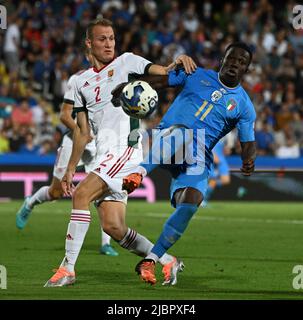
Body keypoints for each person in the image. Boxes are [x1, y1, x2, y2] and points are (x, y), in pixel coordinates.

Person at [44, 18, 197, 287]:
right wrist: (70, 169)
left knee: (81, 195)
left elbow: (160, 70)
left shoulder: (126, 62)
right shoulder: (81, 82)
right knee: (113, 227)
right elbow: (82, 131)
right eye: (102, 39)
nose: (108, 44)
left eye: (112, 38)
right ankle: (168, 260)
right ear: (89, 43)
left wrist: (177, 60)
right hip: (103, 155)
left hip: (124, 150)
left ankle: (67, 269)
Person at [123, 42, 257, 285]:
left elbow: (248, 141)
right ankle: (139, 173)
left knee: (192, 201)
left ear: (246, 68)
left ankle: (152, 260)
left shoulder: (244, 106)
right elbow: (160, 82)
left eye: (241, 62)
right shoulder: (195, 74)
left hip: (197, 157)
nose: (234, 64)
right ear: (222, 59)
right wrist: (130, 87)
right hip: (169, 137)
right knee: (186, 134)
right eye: (231, 58)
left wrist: (248, 159)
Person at [15, 50, 119, 257]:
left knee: (102, 189)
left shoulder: (114, 79)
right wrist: (82, 132)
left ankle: (106, 243)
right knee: (57, 192)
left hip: (99, 144)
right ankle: (31, 202)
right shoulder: (78, 79)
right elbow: (64, 116)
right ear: (89, 56)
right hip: (74, 140)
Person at [201, 139, 231, 207]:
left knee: (226, 180)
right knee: (213, 180)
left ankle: (205, 191)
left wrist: (226, 149)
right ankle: (202, 200)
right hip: (212, 158)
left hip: (222, 159)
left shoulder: (225, 134)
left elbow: (225, 150)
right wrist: (212, 155)